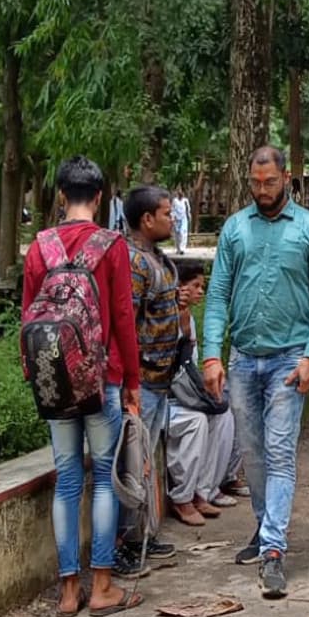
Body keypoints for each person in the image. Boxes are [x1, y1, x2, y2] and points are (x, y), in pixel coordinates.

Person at [202, 146, 309, 599]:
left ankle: (273, 549)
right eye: (256, 183)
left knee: (279, 452)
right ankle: (265, 529)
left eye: (270, 183)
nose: (262, 191)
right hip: (243, 358)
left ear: (287, 178)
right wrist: (212, 355)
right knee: (253, 454)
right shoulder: (235, 229)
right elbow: (217, 294)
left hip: (289, 359)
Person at [22, 155, 143, 617]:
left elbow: (28, 315)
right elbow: (123, 318)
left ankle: (69, 591)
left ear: (60, 196)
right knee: (105, 477)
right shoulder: (110, 246)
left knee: (67, 479)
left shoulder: (40, 247)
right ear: (99, 197)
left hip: (54, 379)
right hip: (100, 379)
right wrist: (131, 381)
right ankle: (103, 586)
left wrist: (36, 376)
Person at [119, 185, 181, 572]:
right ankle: (126, 543)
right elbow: (127, 323)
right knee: (133, 463)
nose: (172, 220)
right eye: (166, 214)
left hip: (161, 378)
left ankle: (143, 534)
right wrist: (131, 382)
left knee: (146, 460)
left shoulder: (157, 259)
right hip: (142, 380)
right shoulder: (134, 263)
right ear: (147, 219)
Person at [165, 262, 238, 524]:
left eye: (202, 286)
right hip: (163, 397)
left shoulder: (189, 319)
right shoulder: (162, 314)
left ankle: (204, 490)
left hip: (182, 393)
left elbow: (189, 366)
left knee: (223, 415)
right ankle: (182, 497)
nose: (200, 292)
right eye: (195, 286)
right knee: (197, 422)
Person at [171, 188, 191, 254]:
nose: (180, 194)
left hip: (183, 219)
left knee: (183, 233)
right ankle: (178, 248)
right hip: (176, 219)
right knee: (177, 234)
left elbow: (188, 209)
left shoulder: (185, 200)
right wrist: (172, 217)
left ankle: (182, 249)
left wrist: (189, 216)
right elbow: (173, 209)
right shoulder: (175, 201)